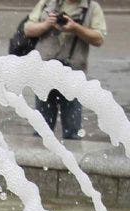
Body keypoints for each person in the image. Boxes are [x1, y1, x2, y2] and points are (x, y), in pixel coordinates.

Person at [24, 0, 107, 140]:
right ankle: (41, 156)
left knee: (72, 131)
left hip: (72, 74)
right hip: (44, 71)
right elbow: (28, 30)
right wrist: (47, 24)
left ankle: (71, 157)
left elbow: (98, 39)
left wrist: (76, 28)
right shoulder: (47, 3)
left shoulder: (92, 7)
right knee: (42, 130)